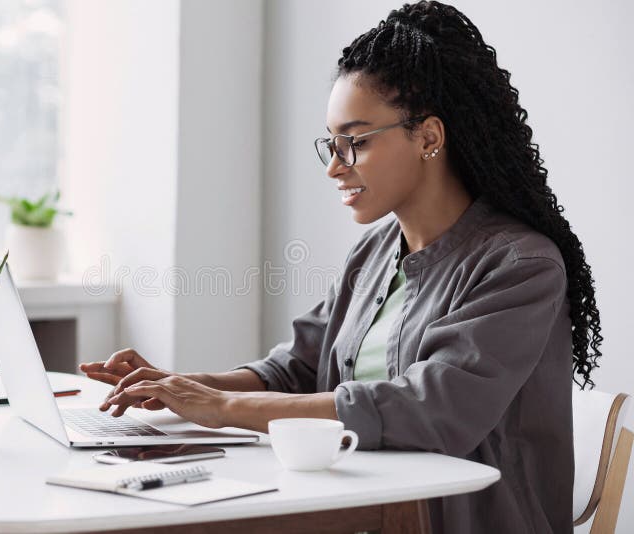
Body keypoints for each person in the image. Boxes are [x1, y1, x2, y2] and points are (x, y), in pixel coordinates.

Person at [80, 2, 602, 532]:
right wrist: (180, 386)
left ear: (428, 138)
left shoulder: (521, 265)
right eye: (331, 144)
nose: (335, 165)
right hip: (358, 508)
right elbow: (297, 369)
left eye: (354, 142)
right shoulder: (374, 252)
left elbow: (427, 410)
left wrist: (221, 406)